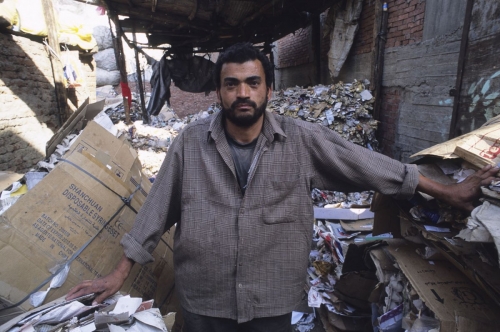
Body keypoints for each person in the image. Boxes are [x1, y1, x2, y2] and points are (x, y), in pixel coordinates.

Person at [67, 43, 499, 331]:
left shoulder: (302, 140)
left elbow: (370, 166)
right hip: (203, 301)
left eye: (252, 83)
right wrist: (117, 274)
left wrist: (448, 191)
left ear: (269, 89)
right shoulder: (189, 144)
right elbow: (155, 211)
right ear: (217, 92)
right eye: (231, 83)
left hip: (270, 301)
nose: (242, 93)